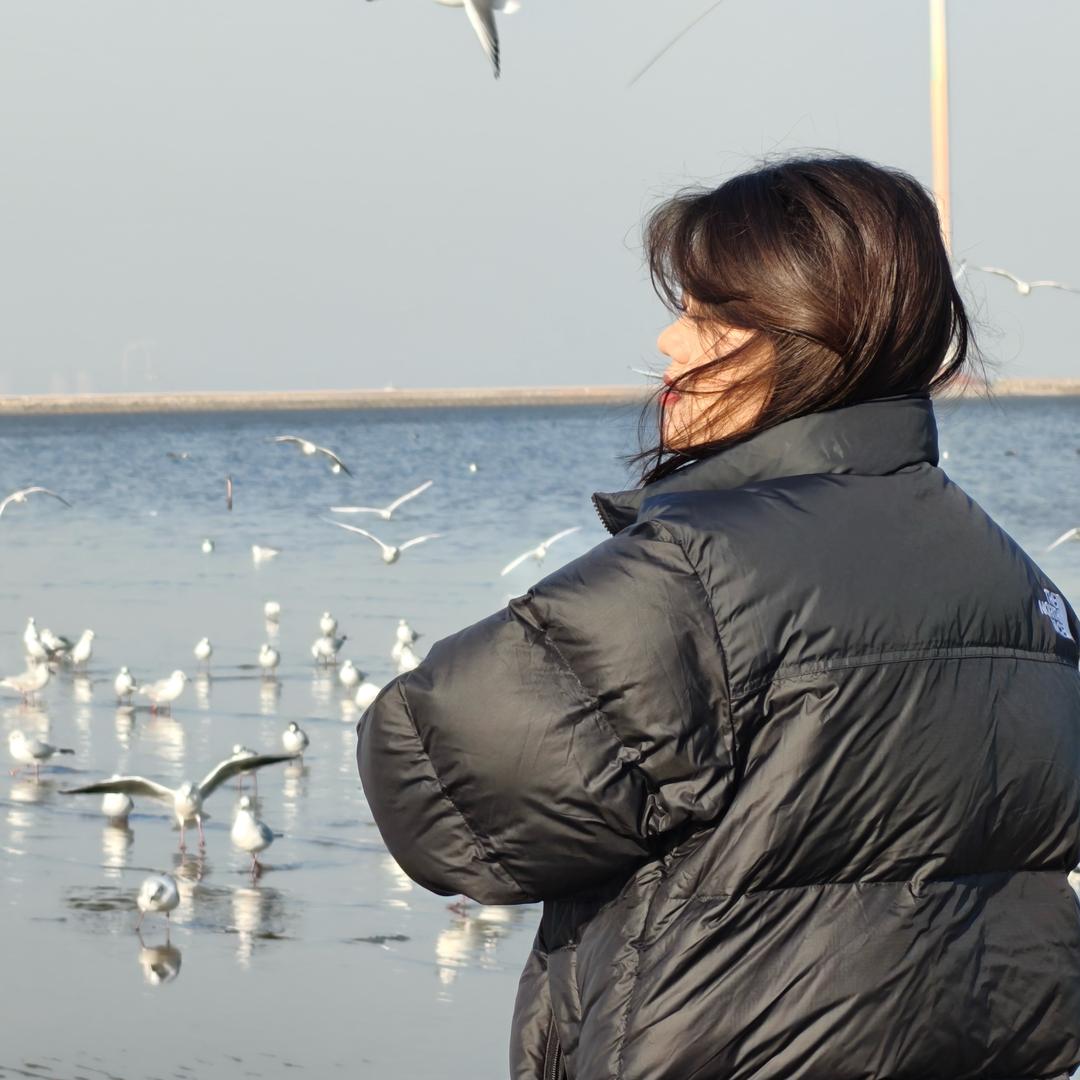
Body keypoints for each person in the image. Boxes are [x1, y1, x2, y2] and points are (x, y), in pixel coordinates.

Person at [357, 155, 1080, 1080]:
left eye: (708, 315)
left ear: (807, 332)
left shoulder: (698, 576)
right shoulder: (1024, 592)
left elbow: (440, 799)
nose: (670, 343)